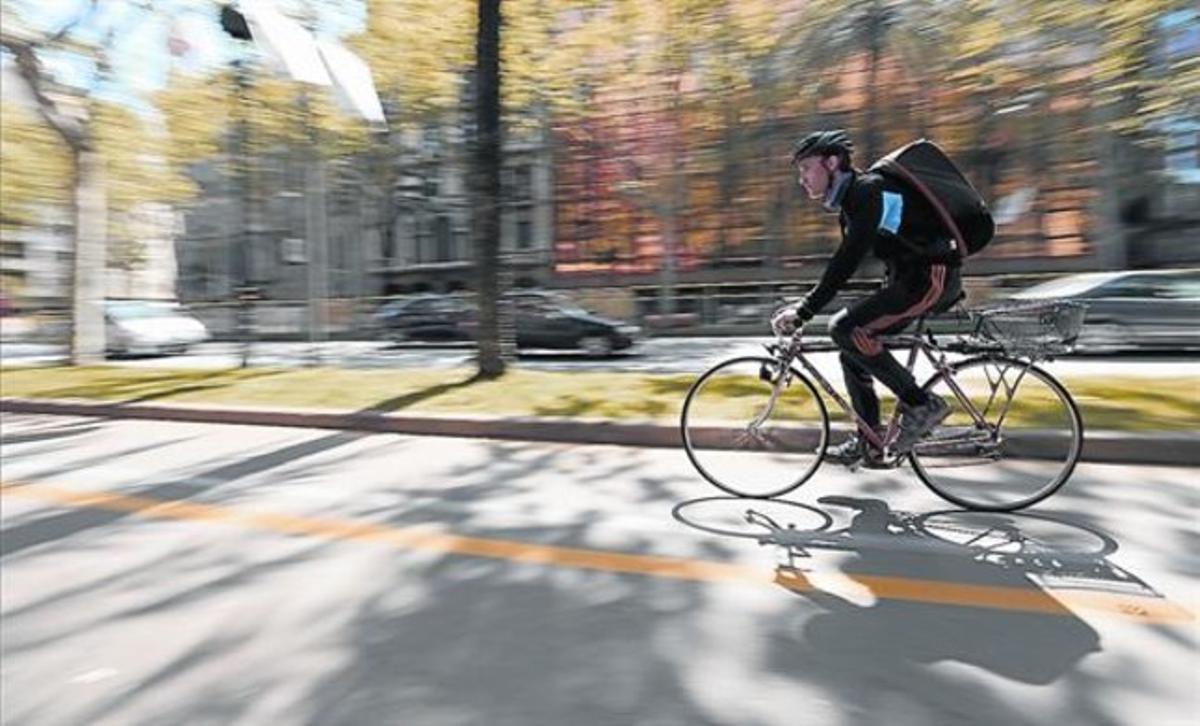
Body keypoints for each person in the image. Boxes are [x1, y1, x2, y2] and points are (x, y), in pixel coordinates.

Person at [772, 130, 962, 465]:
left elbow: (848, 258)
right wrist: (810, 305)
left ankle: (922, 404)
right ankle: (871, 444)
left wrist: (805, 310)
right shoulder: (853, 203)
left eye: (806, 169)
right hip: (909, 279)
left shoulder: (867, 190)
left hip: (932, 277)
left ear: (832, 163)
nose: (802, 180)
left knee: (844, 328)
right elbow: (850, 263)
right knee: (852, 351)